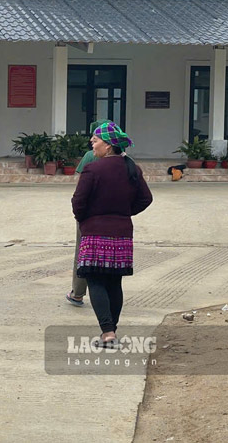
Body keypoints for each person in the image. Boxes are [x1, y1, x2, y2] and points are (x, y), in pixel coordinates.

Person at [71, 122, 152, 347]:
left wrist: (85, 219)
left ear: (108, 146)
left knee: (95, 279)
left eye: (95, 140)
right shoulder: (131, 167)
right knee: (114, 282)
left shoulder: (93, 169)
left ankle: (107, 333)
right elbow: (146, 199)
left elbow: (78, 201)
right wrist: (124, 213)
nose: (92, 144)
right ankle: (112, 330)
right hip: (122, 233)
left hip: (95, 232)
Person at [66, 119, 111, 308]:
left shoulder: (88, 157)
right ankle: (108, 292)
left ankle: (77, 294)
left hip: (89, 213)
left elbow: (80, 188)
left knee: (82, 251)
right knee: (109, 252)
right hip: (112, 213)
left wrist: (79, 212)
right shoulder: (124, 159)